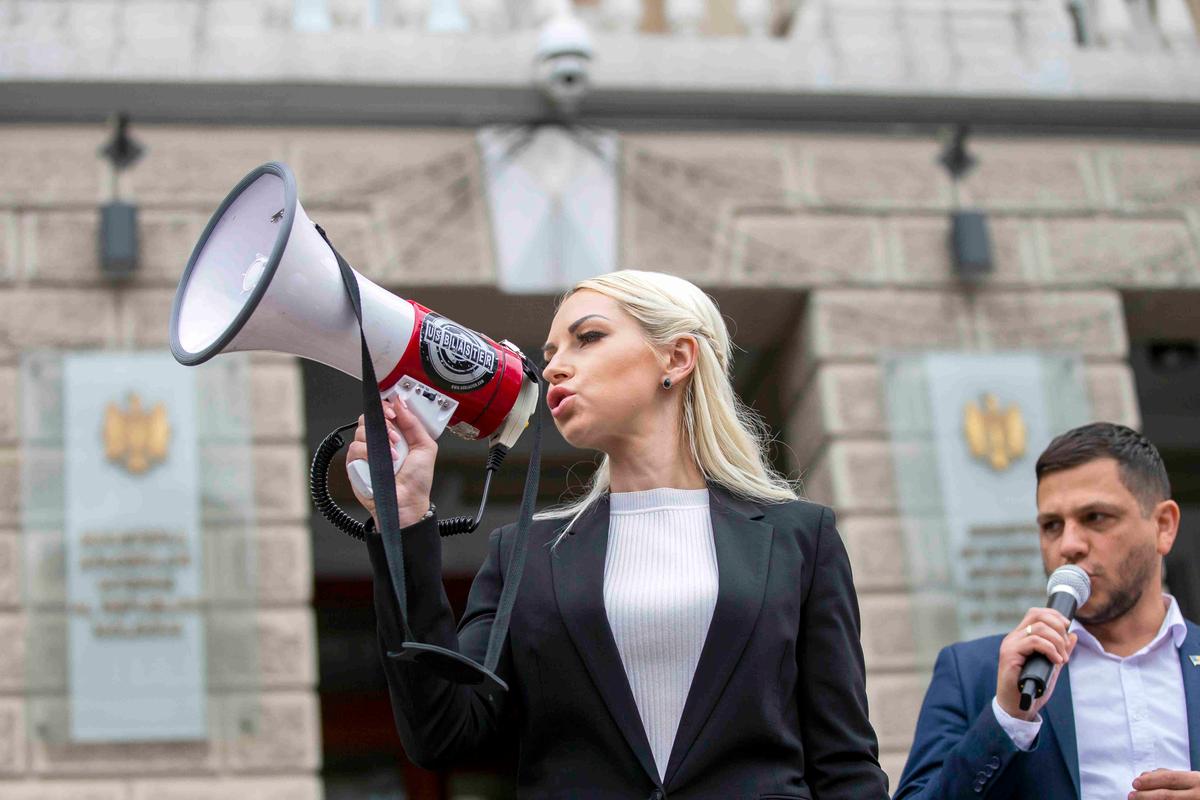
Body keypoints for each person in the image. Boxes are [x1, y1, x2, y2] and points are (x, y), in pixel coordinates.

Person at [347, 270, 889, 799]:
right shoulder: (525, 554)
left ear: (676, 358)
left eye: (588, 338)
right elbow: (443, 731)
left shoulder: (798, 537)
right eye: (551, 352)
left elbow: (843, 761)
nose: (554, 367)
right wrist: (405, 518)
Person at [894, 422, 1200, 800]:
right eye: (1052, 525)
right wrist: (1006, 718)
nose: (1069, 545)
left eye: (1096, 518)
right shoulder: (974, 672)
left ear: (1164, 526)